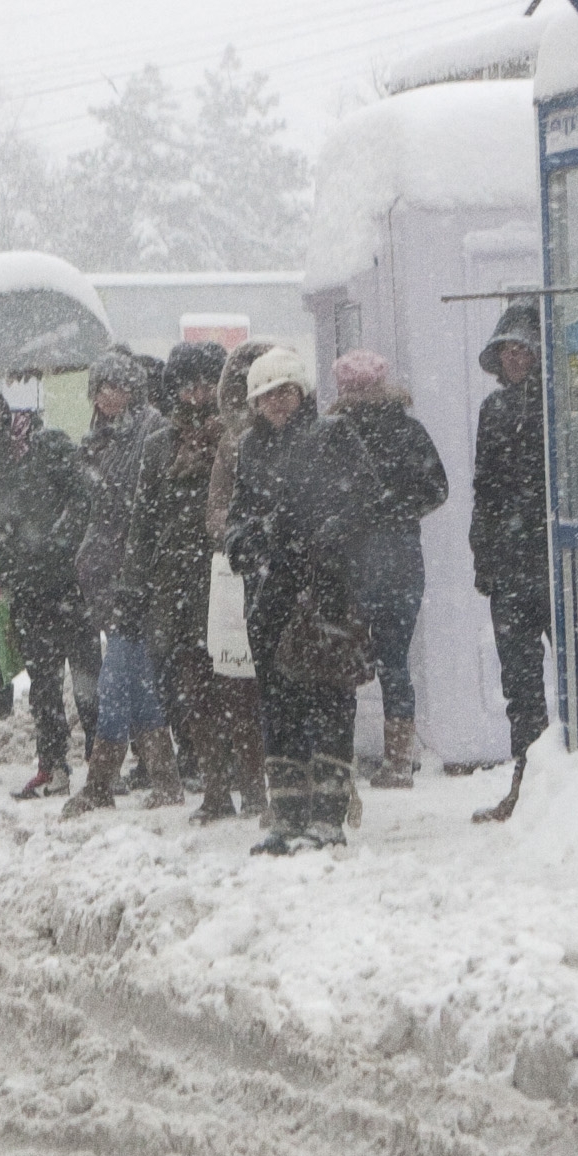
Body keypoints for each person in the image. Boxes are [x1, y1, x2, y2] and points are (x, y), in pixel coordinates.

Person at [227, 343, 367, 852]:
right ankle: (286, 816)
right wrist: (244, 541)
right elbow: (236, 518)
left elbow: (364, 498)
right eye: (265, 395)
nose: (276, 403)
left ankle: (328, 818)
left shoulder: (333, 435)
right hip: (269, 599)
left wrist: (331, 532)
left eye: (284, 391)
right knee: (279, 708)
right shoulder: (250, 449)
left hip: (326, 592)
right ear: (254, 402)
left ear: (301, 392)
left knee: (330, 700)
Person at [131, 339, 259, 820]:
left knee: (239, 687)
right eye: (187, 385)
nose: (197, 394)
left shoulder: (241, 436)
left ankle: (254, 788)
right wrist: (134, 580)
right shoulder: (160, 445)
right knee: (194, 694)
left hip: (228, 578)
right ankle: (215, 791)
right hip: (177, 583)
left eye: (207, 383)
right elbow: (143, 521)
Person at [0, 381, 98, 799]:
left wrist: (59, 542)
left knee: (89, 677)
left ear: (2, 411)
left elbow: (84, 499)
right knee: (44, 684)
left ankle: (102, 763)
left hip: (71, 583)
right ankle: (52, 766)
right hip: (28, 592)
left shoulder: (45, 445)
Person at [324, 350, 451, 789]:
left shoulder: (337, 434)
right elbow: (435, 489)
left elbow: (436, 488)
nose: (359, 395)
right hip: (383, 561)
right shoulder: (405, 430)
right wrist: (396, 510)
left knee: (357, 661)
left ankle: (364, 758)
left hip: (368, 563)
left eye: (363, 386)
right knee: (380, 660)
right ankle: (395, 758)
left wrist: (369, 514)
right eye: (354, 387)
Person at [64, 352, 175, 810]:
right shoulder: (95, 441)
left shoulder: (153, 431)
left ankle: (100, 782)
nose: (108, 396)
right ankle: (161, 776)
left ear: (135, 388)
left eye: (117, 386)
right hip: (107, 575)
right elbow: (89, 509)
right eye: (100, 387)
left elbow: (145, 506)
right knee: (136, 675)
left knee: (119, 674)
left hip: (144, 571)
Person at [468, 299, 553, 823]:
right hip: (511, 566)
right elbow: (485, 488)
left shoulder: (559, 404)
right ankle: (527, 780)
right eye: (508, 351)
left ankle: (571, 779)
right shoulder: (493, 411)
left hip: (552, 560)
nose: (516, 359)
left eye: (524, 349)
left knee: (570, 674)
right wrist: (485, 554)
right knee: (520, 685)